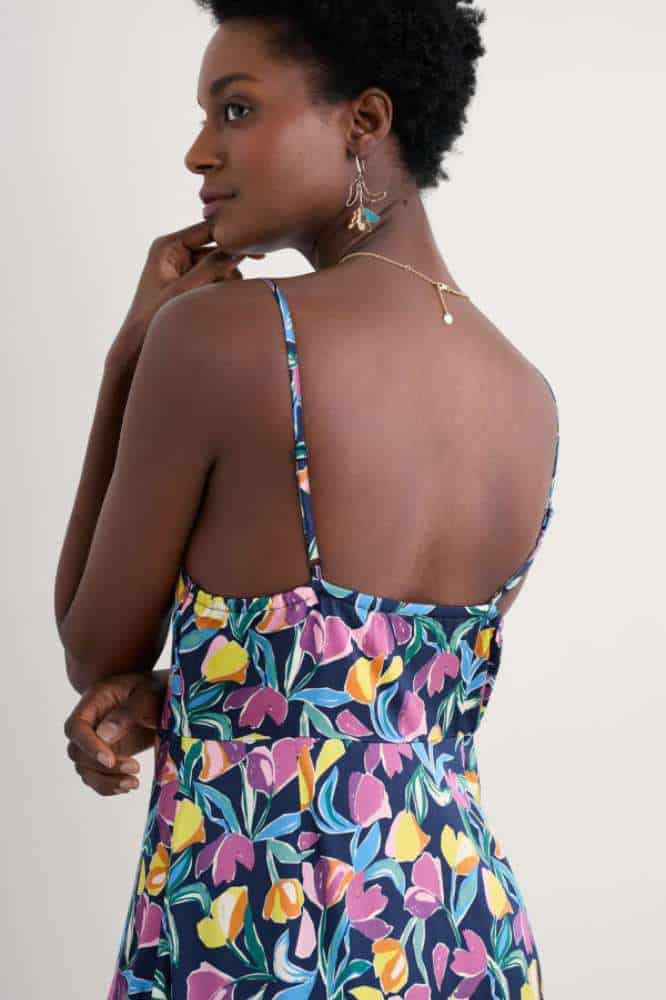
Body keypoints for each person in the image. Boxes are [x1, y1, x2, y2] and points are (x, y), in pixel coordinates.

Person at [58, 4, 559, 998]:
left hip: (266, 935)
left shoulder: (220, 337)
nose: (200, 152)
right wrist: (207, 696)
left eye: (236, 109)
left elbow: (95, 646)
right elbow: (378, 696)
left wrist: (131, 352)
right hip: (461, 934)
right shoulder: (529, 396)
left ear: (364, 121)